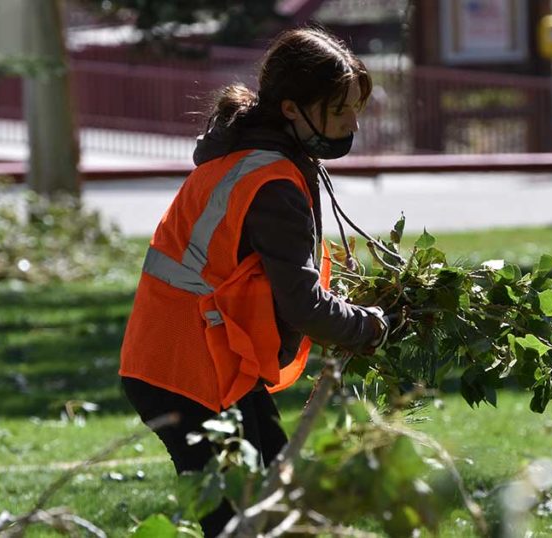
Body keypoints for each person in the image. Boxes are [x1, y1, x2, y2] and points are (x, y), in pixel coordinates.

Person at [118, 27, 390, 537]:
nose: (353, 122)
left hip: (181, 362)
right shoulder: (270, 182)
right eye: (339, 110)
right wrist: (372, 327)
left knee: (267, 509)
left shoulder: (247, 153)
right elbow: (303, 305)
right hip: (187, 371)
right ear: (292, 109)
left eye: (356, 108)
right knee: (249, 523)